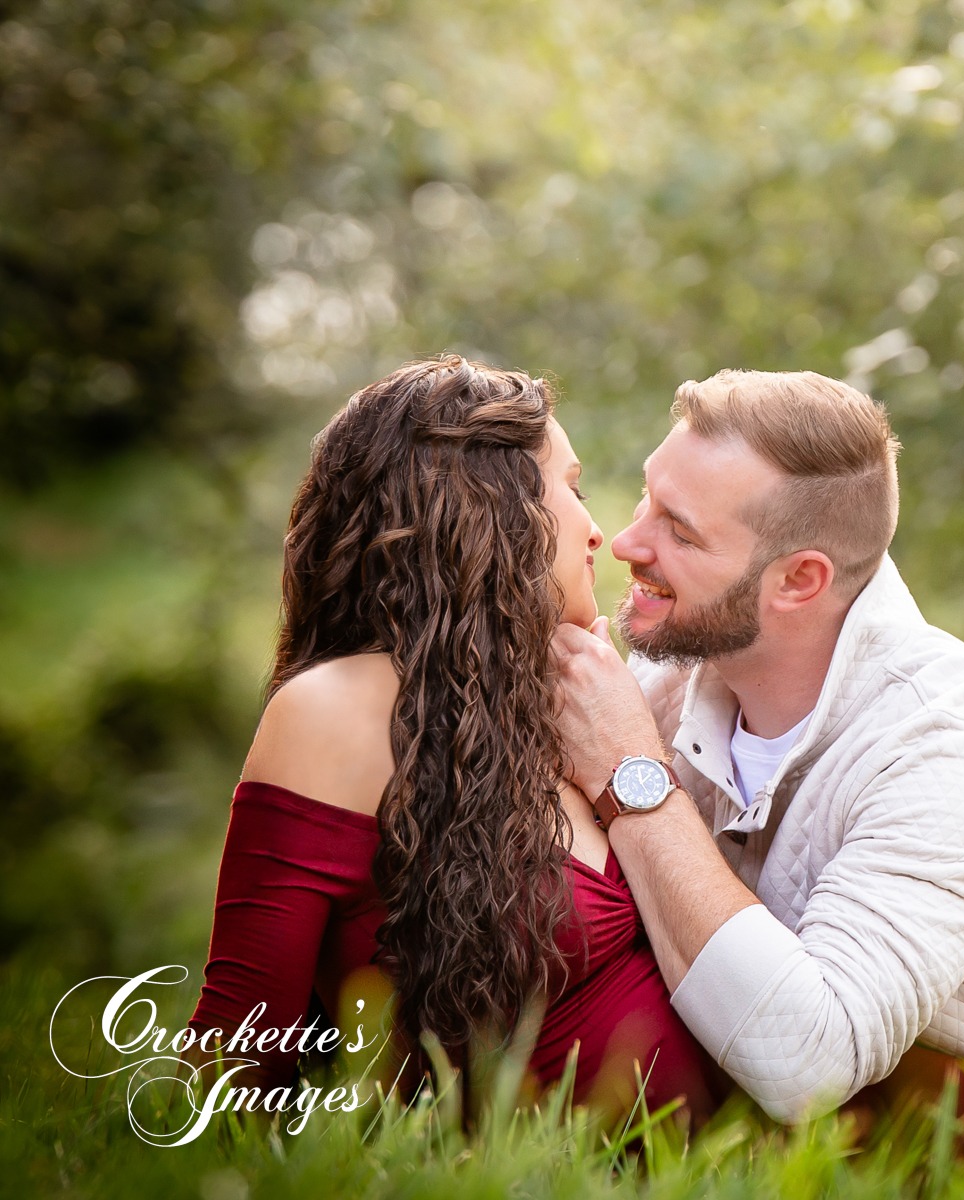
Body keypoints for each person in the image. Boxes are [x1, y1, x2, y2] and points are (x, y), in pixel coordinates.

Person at [550, 369, 964, 1185]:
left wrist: (635, 779)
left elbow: (806, 1062)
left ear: (800, 580)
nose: (628, 544)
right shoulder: (662, 693)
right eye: (645, 501)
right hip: (798, 1167)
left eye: (681, 533)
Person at [188, 356, 721, 1120]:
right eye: (571, 489)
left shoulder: (569, 703)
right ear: (490, 508)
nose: (598, 529)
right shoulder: (332, 713)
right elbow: (235, 1061)